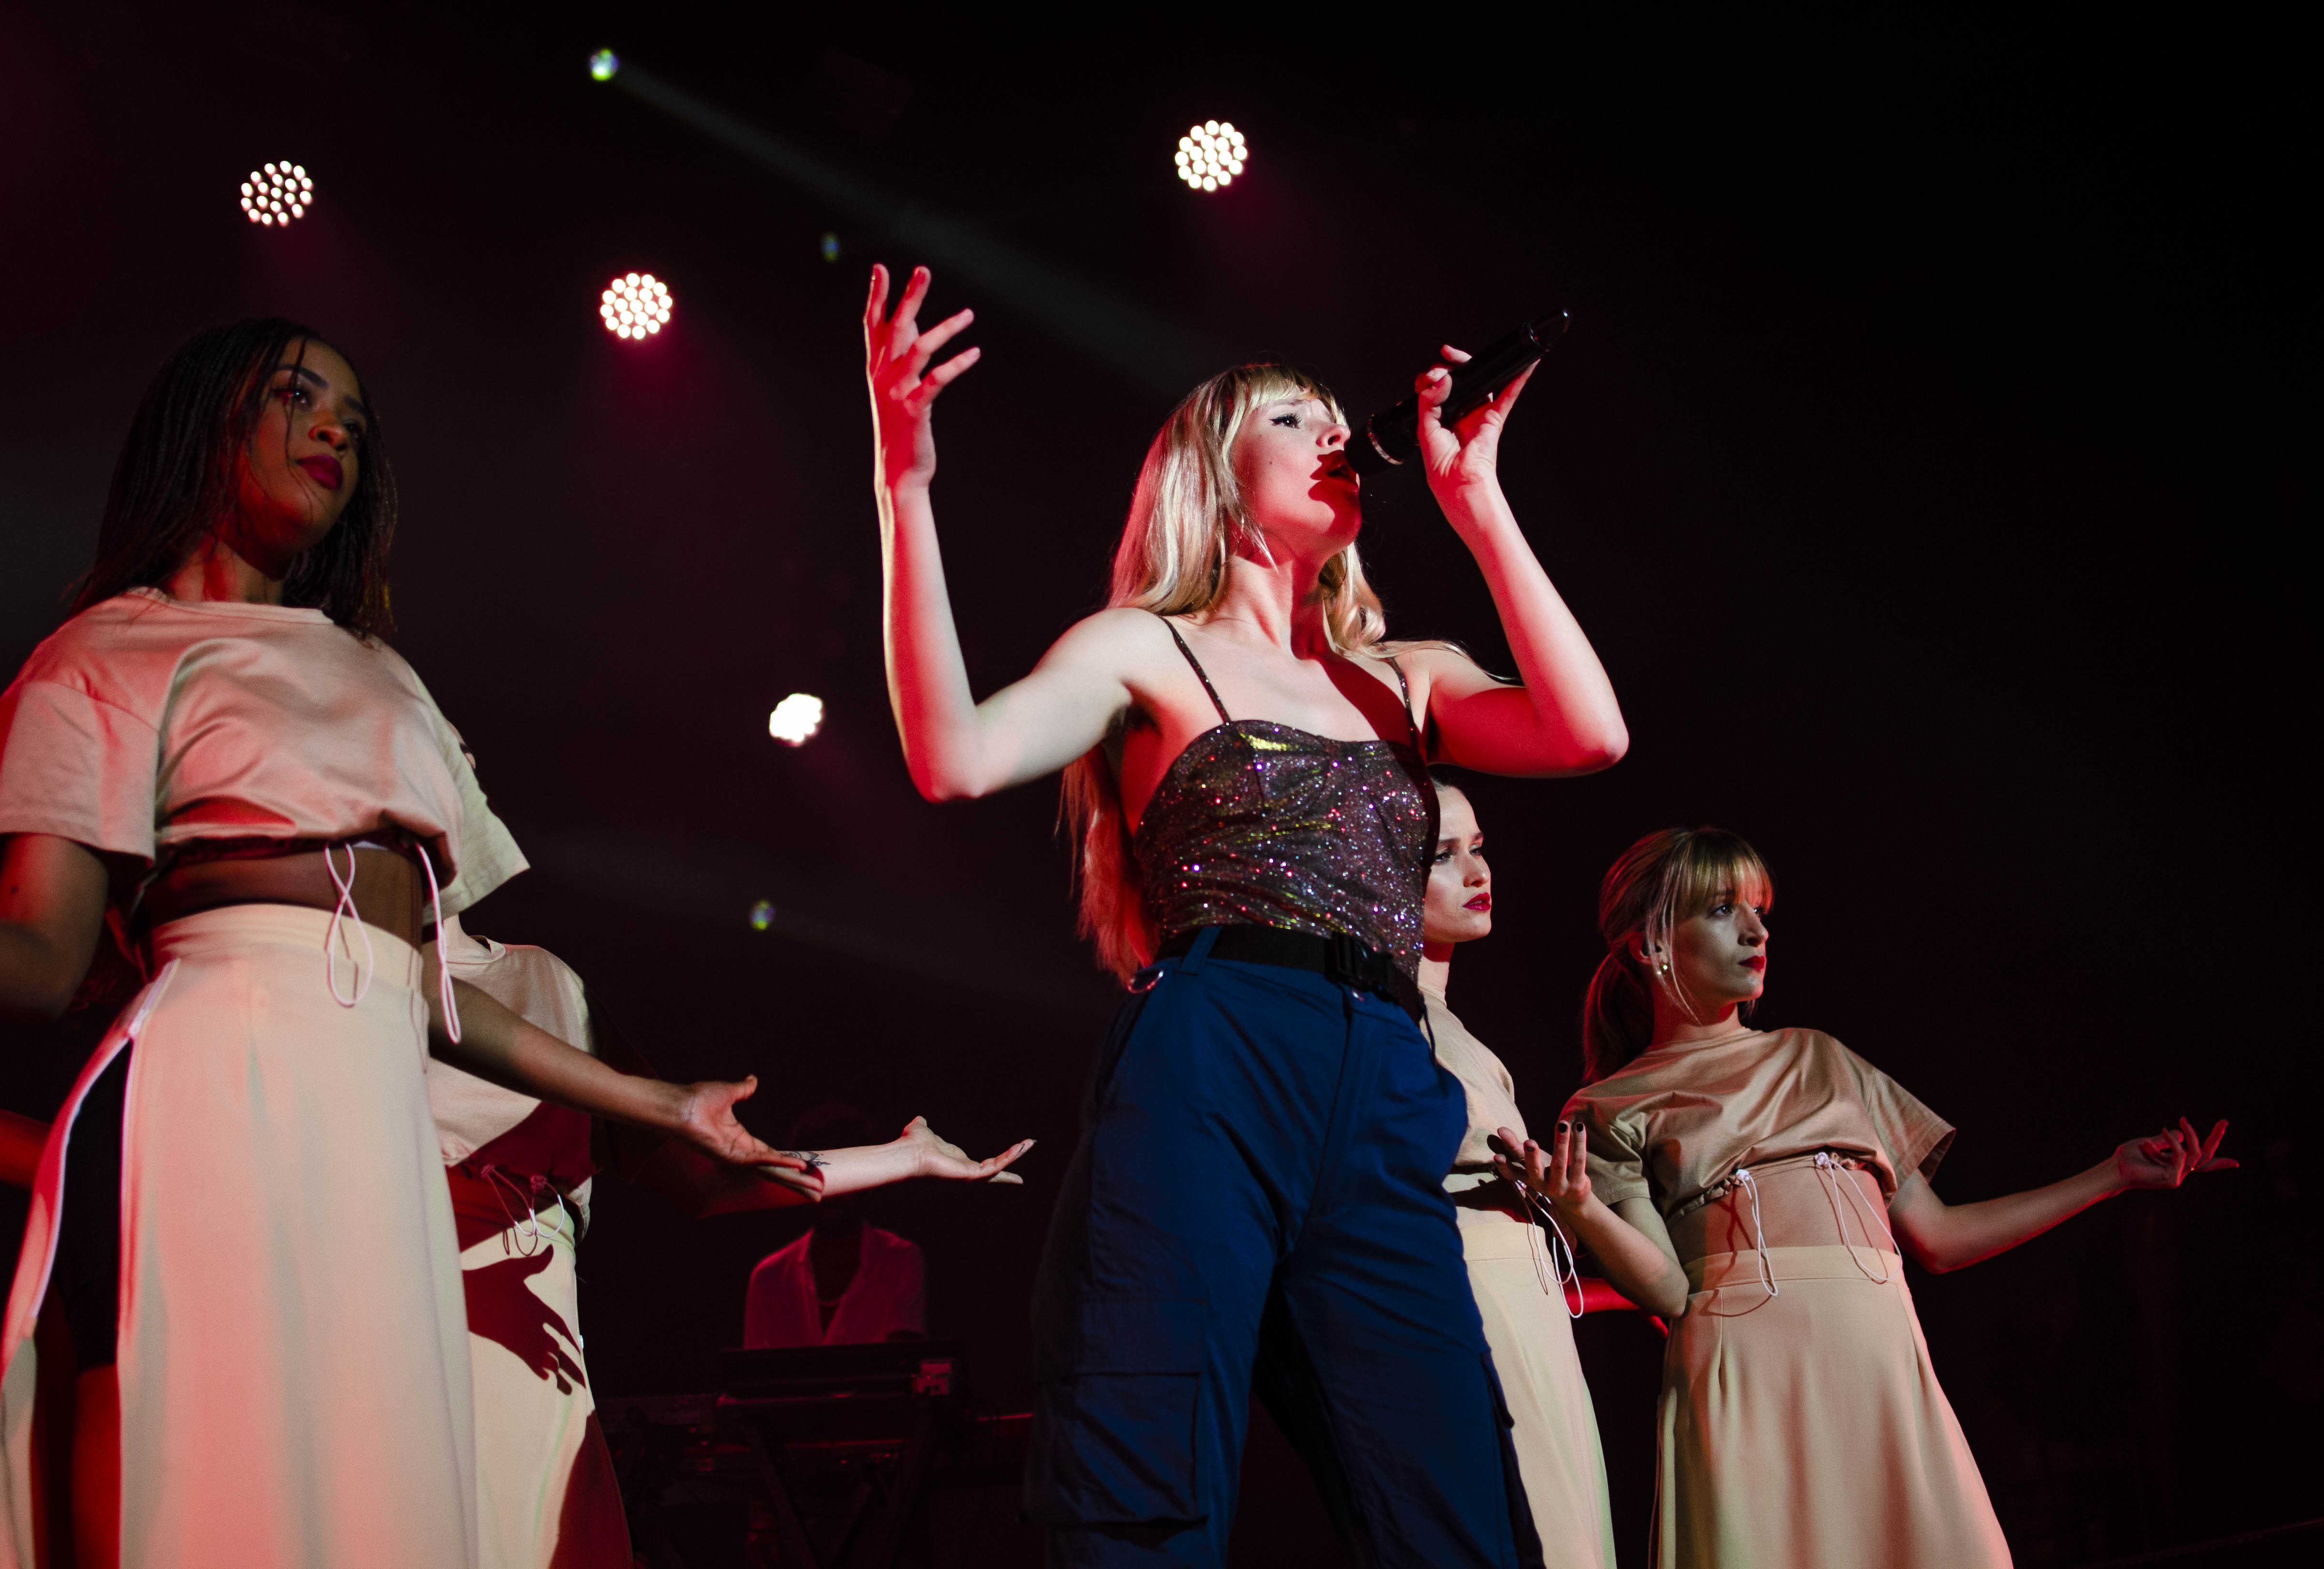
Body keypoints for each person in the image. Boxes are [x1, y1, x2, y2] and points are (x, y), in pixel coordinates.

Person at [0, 320, 812, 1569]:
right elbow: (39, 959)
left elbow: (435, 996)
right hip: (203, 1092)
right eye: (297, 396)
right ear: (204, 427)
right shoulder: (102, 656)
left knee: (376, 1501)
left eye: (355, 422)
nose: (335, 430)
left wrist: (660, 1103)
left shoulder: (381, 677)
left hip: (368, 1132)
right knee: (198, 1484)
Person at [863, 262, 1629, 1566]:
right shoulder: (1142, 647)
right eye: (1291, 417)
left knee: (1447, 1477)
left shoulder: (1402, 679)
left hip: (1390, 1072)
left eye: (1336, 415)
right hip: (1218, 1044)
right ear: (1212, 476)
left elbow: (1590, 735)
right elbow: (954, 760)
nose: (1334, 433)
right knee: (1147, 1441)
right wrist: (906, 484)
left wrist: (1479, 500)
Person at [1529, 826, 2233, 1569]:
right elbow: (1670, 1294)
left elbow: (1940, 1239)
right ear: (1651, 945)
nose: (1757, 930)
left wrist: (2113, 1175)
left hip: (1877, 1361)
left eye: (1760, 910)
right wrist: (1584, 1210)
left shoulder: (1821, 1058)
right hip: (1747, 1376)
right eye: (1723, 909)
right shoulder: (1610, 1106)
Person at [428, 922, 1030, 1568]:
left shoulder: (550, 982)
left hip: (536, 1380)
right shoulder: (363, 971)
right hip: (410, 1341)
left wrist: (903, 1158)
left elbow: (706, 1178)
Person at [1417, 772, 1614, 1569]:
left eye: (1479, 847)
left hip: (1531, 1309)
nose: (1477, 871)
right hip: (1472, 1308)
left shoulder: (1454, 1029)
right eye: (1441, 855)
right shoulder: (1381, 1022)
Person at [742, 1105, 932, 1350]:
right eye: (819, 1175)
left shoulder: (901, 1260)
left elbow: (903, 1362)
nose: (833, 1192)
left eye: (845, 1178)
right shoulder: (768, 1278)